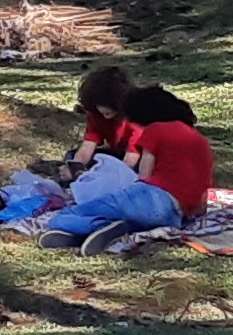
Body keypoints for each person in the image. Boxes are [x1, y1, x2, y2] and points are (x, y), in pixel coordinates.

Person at [36, 64, 214, 242]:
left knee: (62, 218)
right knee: (132, 218)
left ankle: (96, 227)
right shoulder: (202, 141)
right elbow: (201, 202)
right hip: (175, 218)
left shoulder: (153, 130)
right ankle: (106, 231)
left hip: (149, 198)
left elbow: (143, 176)